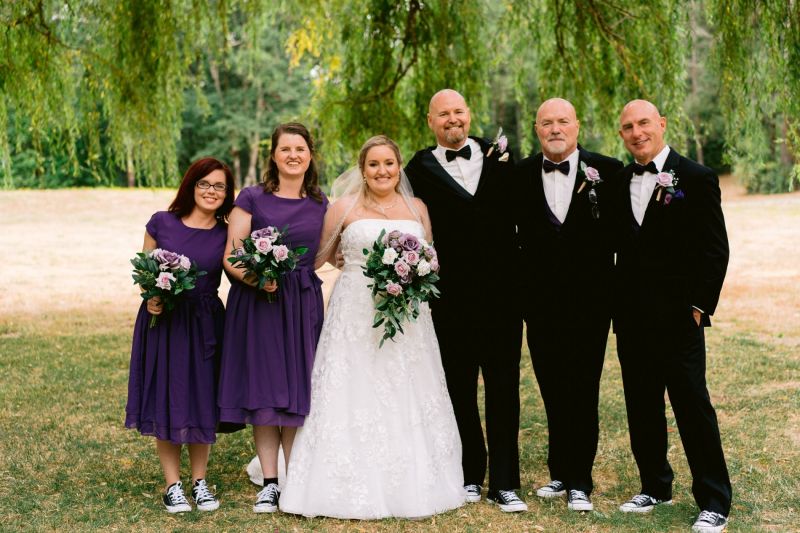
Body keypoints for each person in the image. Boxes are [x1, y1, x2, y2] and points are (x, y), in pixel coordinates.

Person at [279, 135, 465, 519]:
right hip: (355, 311)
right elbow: (322, 256)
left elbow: (431, 257)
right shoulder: (344, 207)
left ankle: (412, 477)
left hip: (408, 314)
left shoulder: (417, 207)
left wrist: (411, 275)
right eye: (374, 165)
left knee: (405, 384)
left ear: (399, 168)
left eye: (389, 164)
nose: (382, 171)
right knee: (352, 382)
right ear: (362, 170)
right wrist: (365, 272)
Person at [612, 99, 731, 533]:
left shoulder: (696, 178)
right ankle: (655, 485)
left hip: (680, 320)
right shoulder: (619, 180)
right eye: (628, 127)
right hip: (631, 320)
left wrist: (700, 307)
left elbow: (715, 249)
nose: (637, 132)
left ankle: (714, 499)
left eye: (644, 123)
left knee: (692, 407)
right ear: (621, 134)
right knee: (641, 406)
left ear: (661, 124)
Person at [405, 89, 526, 512]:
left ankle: (506, 482)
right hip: (447, 301)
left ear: (469, 115)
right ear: (430, 120)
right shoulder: (416, 168)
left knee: (504, 389)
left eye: (458, 111)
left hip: (503, 298)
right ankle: (470, 474)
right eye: (443, 114)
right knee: (458, 390)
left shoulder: (503, 158)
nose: (452, 119)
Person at [516, 98, 623, 512]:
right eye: (547, 123)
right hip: (539, 304)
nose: (555, 129)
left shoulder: (608, 171)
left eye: (563, 121)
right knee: (552, 388)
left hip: (591, 303)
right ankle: (559, 472)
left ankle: (581, 480)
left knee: (583, 387)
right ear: (537, 128)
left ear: (577, 126)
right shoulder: (520, 174)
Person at [217, 123, 328, 513]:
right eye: (285, 149)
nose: (293, 155)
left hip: (301, 303)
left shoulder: (321, 203)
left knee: (297, 390)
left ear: (310, 155)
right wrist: (257, 278)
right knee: (264, 392)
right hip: (258, 304)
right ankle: (270, 481)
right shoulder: (251, 198)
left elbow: (327, 253)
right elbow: (232, 254)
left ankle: (295, 477)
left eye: (300, 148)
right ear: (274, 156)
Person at [125, 157, 235, 513]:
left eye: (219, 186)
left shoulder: (226, 232)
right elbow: (146, 271)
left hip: (205, 320)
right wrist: (152, 297)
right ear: (191, 185)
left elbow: (238, 272)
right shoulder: (163, 222)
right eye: (204, 184)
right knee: (166, 396)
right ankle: (172, 484)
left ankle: (200, 481)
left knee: (202, 397)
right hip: (166, 321)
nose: (211, 192)